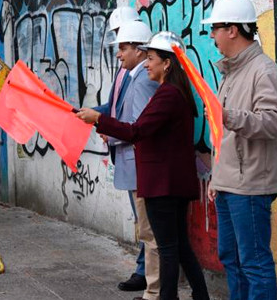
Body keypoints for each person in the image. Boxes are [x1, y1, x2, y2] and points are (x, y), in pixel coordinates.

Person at [77, 31, 210, 300]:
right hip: (171, 183)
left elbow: (137, 130)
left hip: (163, 185)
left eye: (150, 58)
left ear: (167, 63)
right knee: (180, 246)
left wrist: (98, 120)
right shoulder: (173, 93)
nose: (146, 64)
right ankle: (200, 295)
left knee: (169, 248)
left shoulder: (168, 95)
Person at [202, 0, 277, 300]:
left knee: (254, 263)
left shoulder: (264, 71)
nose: (212, 35)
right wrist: (217, 177)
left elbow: (273, 122)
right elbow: (226, 136)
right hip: (230, 184)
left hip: (252, 185)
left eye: (215, 28)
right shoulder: (233, 71)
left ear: (233, 30)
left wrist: (227, 115)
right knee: (232, 259)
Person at [94, 6, 153, 294]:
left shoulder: (142, 77)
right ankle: (148, 275)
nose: (118, 49)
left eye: (123, 41)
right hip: (128, 157)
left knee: (148, 226)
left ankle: (149, 277)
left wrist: (108, 130)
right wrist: (92, 114)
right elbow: (115, 107)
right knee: (144, 223)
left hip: (137, 159)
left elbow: (135, 124)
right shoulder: (124, 71)